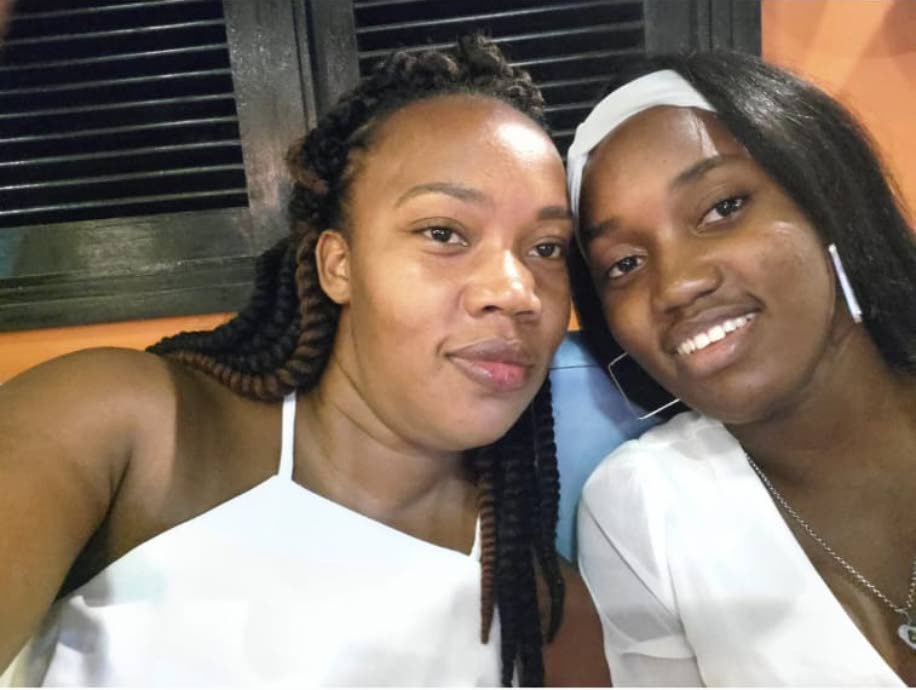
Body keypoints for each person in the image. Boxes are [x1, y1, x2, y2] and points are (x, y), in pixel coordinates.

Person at [0, 36, 608, 687]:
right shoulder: (128, 429)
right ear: (338, 265)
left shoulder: (546, 613)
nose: (517, 292)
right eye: (443, 233)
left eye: (546, 248)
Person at [568, 50, 916, 686]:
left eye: (722, 207)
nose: (676, 284)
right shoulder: (646, 508)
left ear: (828, 199)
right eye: (623, 264)